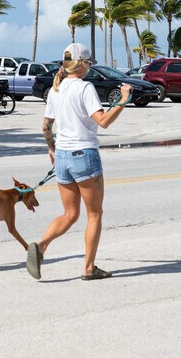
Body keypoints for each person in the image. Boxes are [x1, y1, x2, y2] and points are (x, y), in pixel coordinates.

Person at [26, 43, 133, 281]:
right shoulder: (85, 88)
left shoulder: (56, 89)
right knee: (94, 214)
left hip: (63, 156)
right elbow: (103, 121)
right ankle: (88, 268)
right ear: (82, 64)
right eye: (89, 63)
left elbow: (46, 125)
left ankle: (41, 245)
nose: (90, 67)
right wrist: (123, 99)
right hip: (84, 155)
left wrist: (51, 147)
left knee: (69, 213)